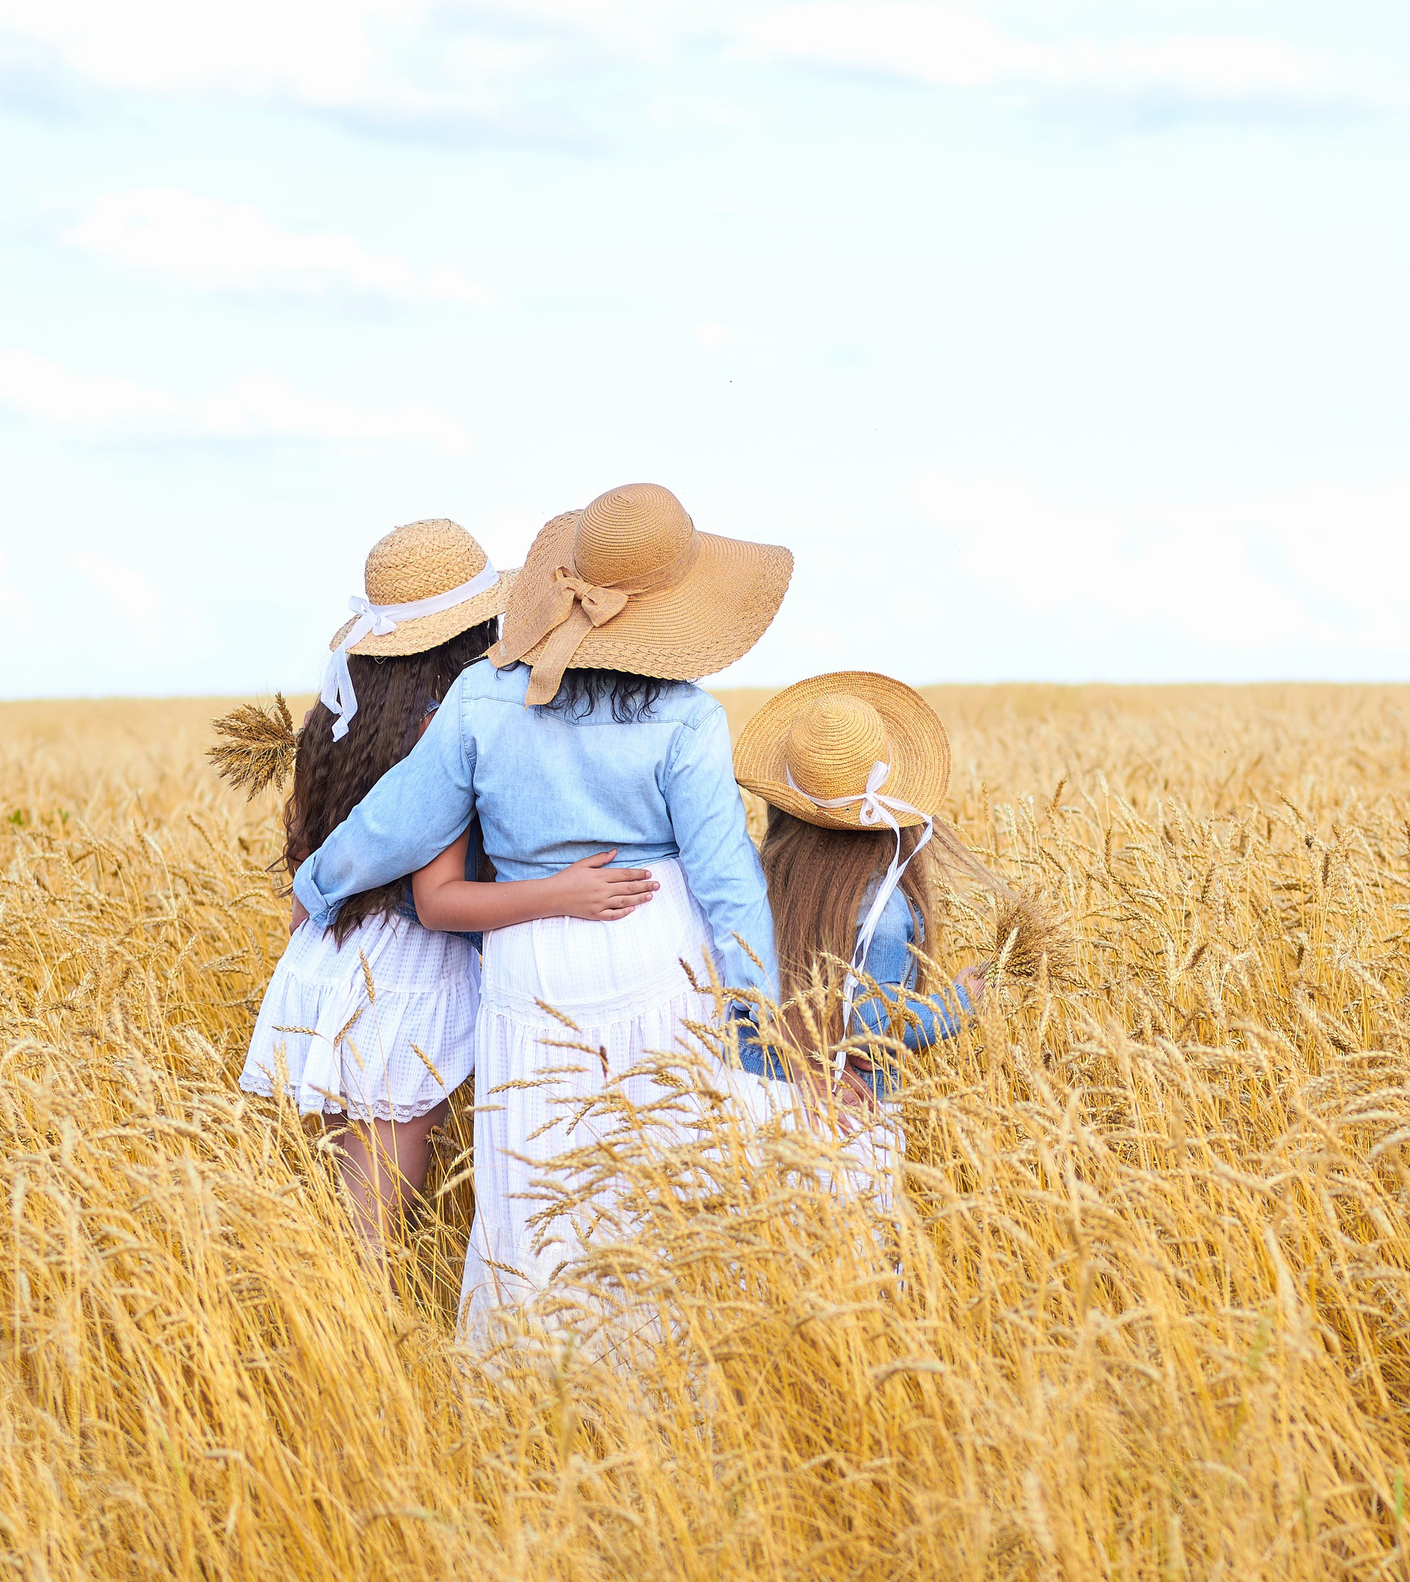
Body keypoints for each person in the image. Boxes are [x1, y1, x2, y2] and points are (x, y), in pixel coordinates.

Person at [285, 483, 795, 1343]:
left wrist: (316, 888)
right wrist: (762, 1016)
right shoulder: (687, 719)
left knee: (535, 1174)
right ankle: (659, 1373)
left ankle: (530, 1380)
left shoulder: (483, 700)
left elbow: (397, 822)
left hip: (527, 954)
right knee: (656, 1174)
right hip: (658, 943)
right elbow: (727, 880)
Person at [237, 519, 648, 1254]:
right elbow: (439, 898)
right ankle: (351, 1356)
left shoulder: (336, 716)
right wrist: (564, 892)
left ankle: (322, 1341)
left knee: (345, 1212)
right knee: (372, 1234)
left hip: (329, 960)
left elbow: (310, 860)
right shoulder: (441, 727)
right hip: (404, 977)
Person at [732, 672, 986, 1107]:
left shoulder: (760, 880)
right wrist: (958, 1005)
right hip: (851, 1111)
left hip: (759, 1088)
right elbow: (871, 1023)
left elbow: (735, 1004)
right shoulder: (882, 907)